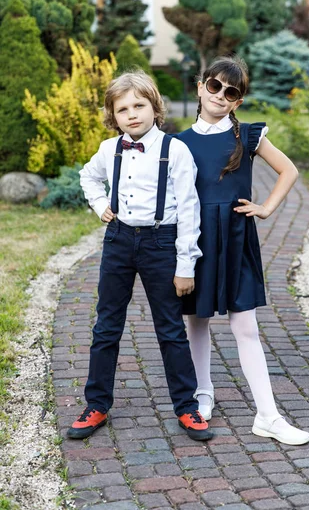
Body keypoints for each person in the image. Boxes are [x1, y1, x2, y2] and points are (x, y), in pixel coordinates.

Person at [67, 70, 213, 442]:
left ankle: (187, 406)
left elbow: (190, 210)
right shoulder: (108, 149)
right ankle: (97, 403)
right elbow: (88, 176)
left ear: (155, 107)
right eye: (122, 109)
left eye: (139, 105)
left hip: (161, 244)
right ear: (113, 116)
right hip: (118, 241)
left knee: (169, 328)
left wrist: (185, 266)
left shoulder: (174, 150)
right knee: (106, 326)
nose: (132, 114)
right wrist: (100, 203)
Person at [178, 56, 309, 445]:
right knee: (196, 321)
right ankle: (203, 396)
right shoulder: (178, 144)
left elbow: (289, 170)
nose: (221, 96)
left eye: (230, 92)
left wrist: (265, 208)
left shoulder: (248, 136)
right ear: (201, 87)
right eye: (215, 86)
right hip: (198, 240)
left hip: (235, 239)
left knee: (245, 325)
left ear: (237, 101)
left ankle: (267, 415)